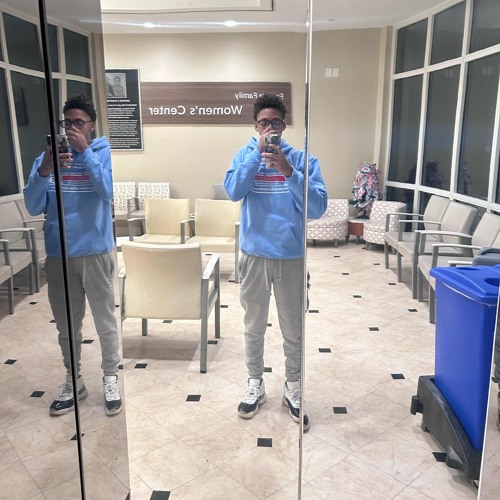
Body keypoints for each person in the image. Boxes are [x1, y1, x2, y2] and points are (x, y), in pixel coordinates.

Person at [224, 93, 327, 430]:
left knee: (293, 329)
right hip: (254, 256)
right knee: (253, 326)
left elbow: (317, 208)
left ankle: (293, 387)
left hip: (290, 257)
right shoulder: (244, 155)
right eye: (263, 123)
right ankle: (255, 384)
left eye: (276, 122)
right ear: (256, 126)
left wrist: (288, 171)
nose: (270, 128)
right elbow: (233, 191)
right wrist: (256, 156)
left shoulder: (302, 159)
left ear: (284, 125)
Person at [24, 94, 122, 417]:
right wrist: (44, 170)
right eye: (67, 123)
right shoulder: (47, 159)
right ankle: (74, 380)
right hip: (59, 256)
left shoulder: (104, 154)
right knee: (67, 326)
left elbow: (108, 191)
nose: (72, 129)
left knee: (105, 321)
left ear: (92, 125)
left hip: (95, 252)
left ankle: (110, 377)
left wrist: (86, 154)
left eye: (79, 123)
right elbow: (33, 205)